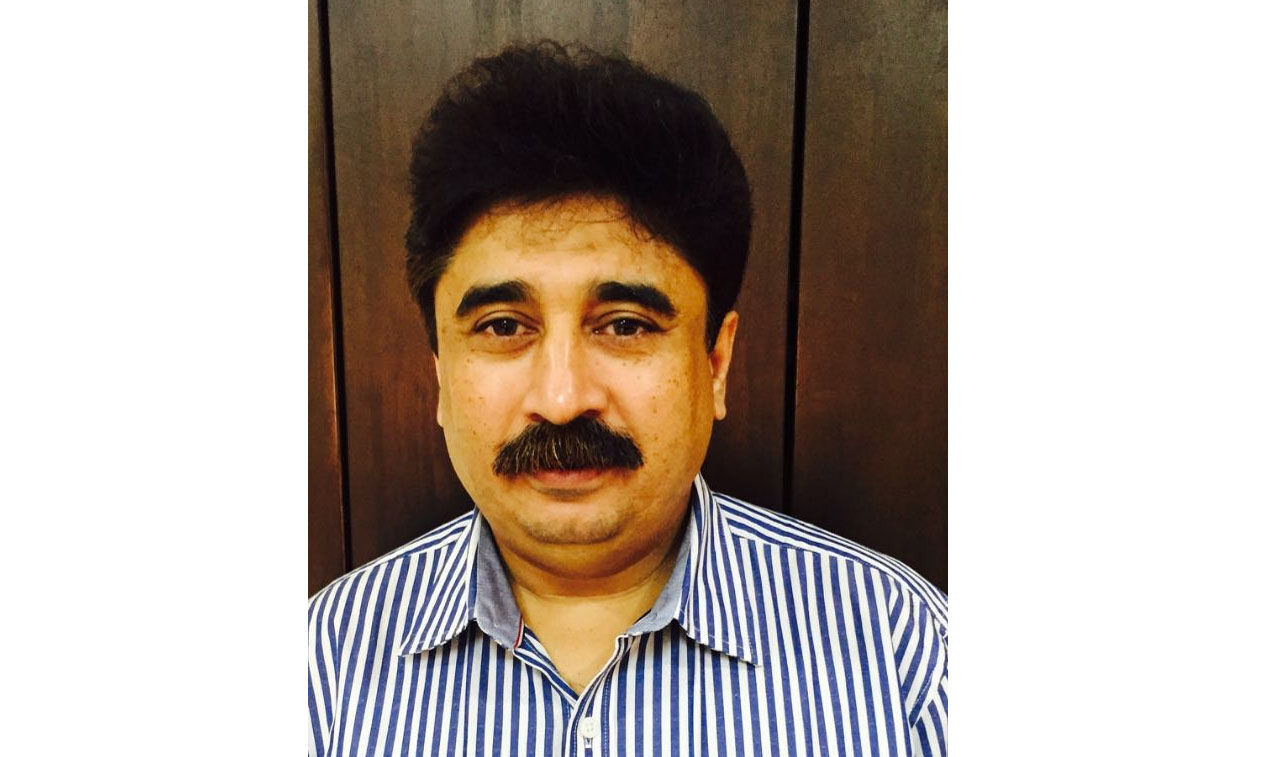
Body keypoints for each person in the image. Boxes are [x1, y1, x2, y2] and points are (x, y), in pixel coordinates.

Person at [308, 41, 947, 757]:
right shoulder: (322, 668)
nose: (561, 399)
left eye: (625, 325)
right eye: (503, 327)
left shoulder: (900, 653)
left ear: (716, 362)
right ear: (439, 373)